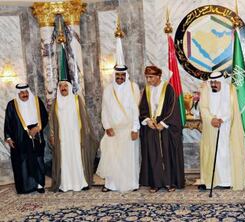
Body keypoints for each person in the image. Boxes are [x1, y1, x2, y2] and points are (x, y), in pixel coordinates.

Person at [96, 33, 141, 192]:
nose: (120, 77)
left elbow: (136, 110)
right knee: (111, 157)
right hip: (113, 130)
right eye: (118, 75)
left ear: (126, 75)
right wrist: (106, 126)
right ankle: (110, 184)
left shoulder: (133, 87)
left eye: (122, 75)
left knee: (128, 159)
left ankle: (131, 184)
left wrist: (135, 129)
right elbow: (104, 110)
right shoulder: (108, 89)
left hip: (128, 130)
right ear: (114, 75)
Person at [139, 65, 185, 193]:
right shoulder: (147, 90)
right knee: (153, 155)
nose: (148, 80)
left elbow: (173, 109)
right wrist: (147, 120)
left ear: (159, 76)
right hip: (151, 127)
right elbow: (143, 108)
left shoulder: (168, 88)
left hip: (166, 129)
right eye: (147, 77)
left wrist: (163, 123)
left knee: (166, 155)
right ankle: (155, 183)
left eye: (151, 77)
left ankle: (170, 182)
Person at [198, 72, 245, 191]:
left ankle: (226, 181)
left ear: (222, 82)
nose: (214, 84)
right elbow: (203, 108)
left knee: (224, 154)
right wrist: (211, 119)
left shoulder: (230, 91)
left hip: (226, 128)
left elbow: (233, 109)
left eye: (216, 82)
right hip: (211, 128)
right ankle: (211, 181)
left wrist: (222, 119)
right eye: (212, 82)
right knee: (211, 154)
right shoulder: (206, 91)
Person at [49, 80, 98, 192]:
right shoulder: (55, 103)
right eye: (61, 86)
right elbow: (51, 120)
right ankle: (65, 184)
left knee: (77, 157)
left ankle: (81, 182)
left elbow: (84, 118)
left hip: (76, 134)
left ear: (70, 87)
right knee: (64, 159)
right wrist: (52, 135)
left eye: (66, 85)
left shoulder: (76, 100)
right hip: (62, 136)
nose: (63, 88)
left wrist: (85, 134)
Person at [4, 83, 48, 194]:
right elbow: (8, 122)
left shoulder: (37, 101)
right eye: (22, 93)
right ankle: (25, 187)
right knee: (23, 161)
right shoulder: (12, 105)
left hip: (36, 135)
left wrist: (37, 128)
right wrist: (8, 138)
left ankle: (39, 184)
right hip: (20, 137)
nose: (24, 95)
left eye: (26, 92)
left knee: (38, 160)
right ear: (18, 94)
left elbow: (44, 116)